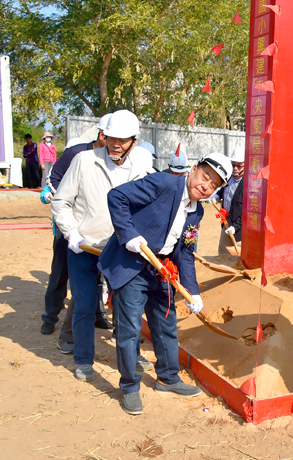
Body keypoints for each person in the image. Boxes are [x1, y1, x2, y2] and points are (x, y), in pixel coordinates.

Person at [98, 153, 233, 415]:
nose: (205, 186)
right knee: (129, 329)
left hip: (162, 270)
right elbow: (117, 197)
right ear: (193, 169)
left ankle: (168, 378)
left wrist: (193, 292)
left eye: (213, 185)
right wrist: (129, 235)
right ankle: (129, 387)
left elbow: (184, 252)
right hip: (133, 263)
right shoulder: (164, 183)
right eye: (205, 177)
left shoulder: (197, 212)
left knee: (166, 325)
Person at [51, 110, 153, 381]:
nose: (116, 144)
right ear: (103, 135)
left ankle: (132, 354)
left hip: (121, 250)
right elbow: (61, 201)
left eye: (123, 140)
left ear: (134, 140)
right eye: (111, 138)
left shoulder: (142, 162)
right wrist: (71, 233)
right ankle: (83, 359)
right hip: (84, 248)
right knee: (84, 304)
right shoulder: (84, 161)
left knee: (127, 307)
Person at [40, 113, 112, 342]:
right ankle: (50, 317)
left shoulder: (114, 160)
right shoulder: (76, 154)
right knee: (61, 272)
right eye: (113, 139)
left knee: (97, 276)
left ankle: (97, 314)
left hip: (96, 231)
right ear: (102, 135)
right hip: (69, 228)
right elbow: (53, 179)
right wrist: (72, 204)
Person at [215, 147, 244, 255]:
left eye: (239, 165)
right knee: (223, 255)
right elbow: (224, 189)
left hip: (239, 230)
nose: (235, 168)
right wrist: (217, 194)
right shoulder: (229, 177)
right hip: (227, 224)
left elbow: (247, 211)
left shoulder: (249, 185)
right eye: (233, 165)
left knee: (237, 260)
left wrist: (235, 227)